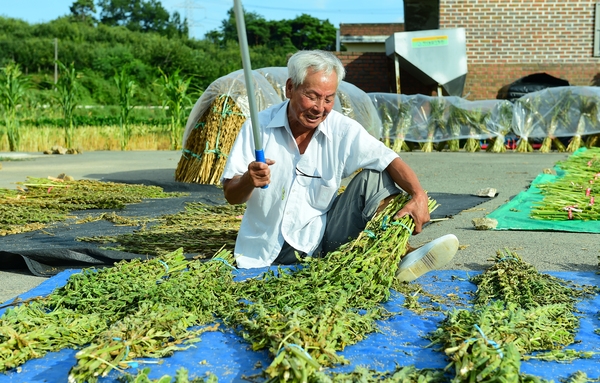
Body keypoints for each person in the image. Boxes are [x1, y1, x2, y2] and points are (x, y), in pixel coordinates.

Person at [222, 50, 458, 281]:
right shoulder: (258, 128)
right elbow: (231, 195)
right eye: (312, 96)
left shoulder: (342, 129)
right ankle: (398, 257)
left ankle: (402, 251)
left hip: (320, 241)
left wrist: (418, 195)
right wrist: (248, 180)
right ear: (290, 88)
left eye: (328, 98)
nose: (320, 108)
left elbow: (389, 159)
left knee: (374, 177)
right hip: (263, 249)